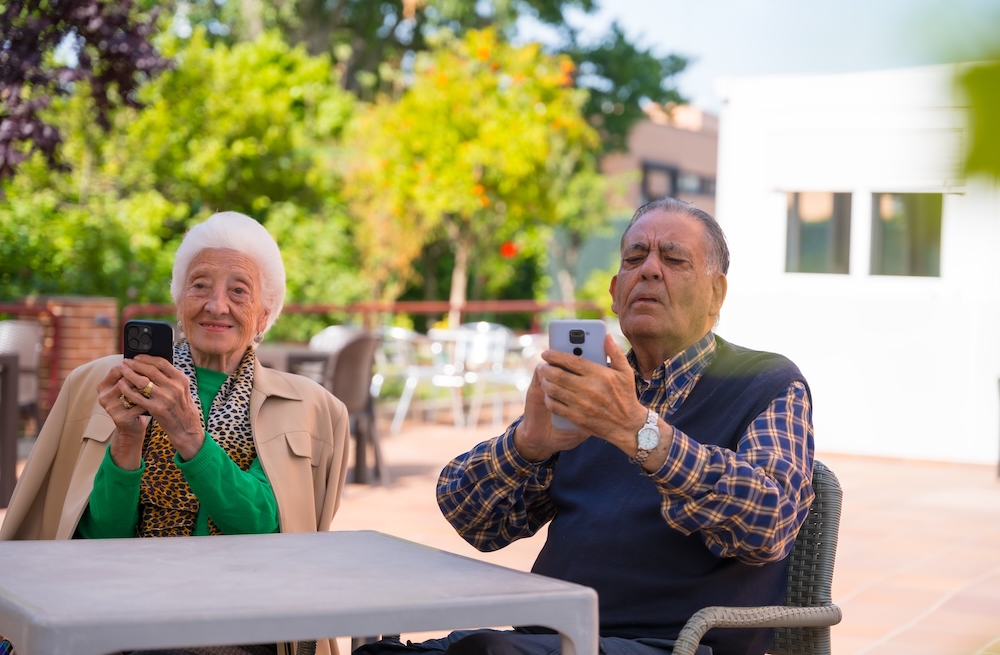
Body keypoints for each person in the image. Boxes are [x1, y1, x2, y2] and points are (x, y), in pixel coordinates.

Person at [358, 197, 815, 655]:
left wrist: (639, 432)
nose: (650, 271)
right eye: (635, 258)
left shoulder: (766, 382)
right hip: (550, 637)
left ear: (716, 294)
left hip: (676, 645)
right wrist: (528, 445)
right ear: (616, 292)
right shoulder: (594, 388)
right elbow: (474, 522)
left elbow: (769, 522)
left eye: (674, 259)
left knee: (486, 653)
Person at [0, 211, 351, 655]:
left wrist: (190, 437)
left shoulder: (310, 408)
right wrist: (127, 439)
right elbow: (99, 541)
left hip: (239, 621)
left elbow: (263, 524)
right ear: (179, 303)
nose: (216, 304)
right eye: (200, 285)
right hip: (122, 609)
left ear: (264, 316)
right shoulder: (104, 384)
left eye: (238, 291)